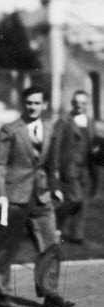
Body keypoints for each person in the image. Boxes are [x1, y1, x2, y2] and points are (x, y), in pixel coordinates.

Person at [0, 85, 74, 307]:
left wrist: (55, 187)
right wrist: (0, 196)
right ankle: (2, 292)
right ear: (23, 105)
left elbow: (51, 164)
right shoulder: (10, 130)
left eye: (37, 103)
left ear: (44, 105)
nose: (33, 107)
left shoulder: (49, 128)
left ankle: (50, 293)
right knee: (5, 246)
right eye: (29, 103)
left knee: (50, 245)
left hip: (41, 196)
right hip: (14, 196)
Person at [53, 90, 100, 244]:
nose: (79, 105)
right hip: (70, 166)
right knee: (75, 199)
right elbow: (56, 146)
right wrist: (56, 168)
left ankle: (77, 235)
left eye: (83, 103)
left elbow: (93, 143)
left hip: (86, 167)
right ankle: (53, 220)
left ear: (87, 105)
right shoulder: (64, 121)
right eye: (76, 102)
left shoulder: (90, 121)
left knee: (83, 202)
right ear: (72, 103)